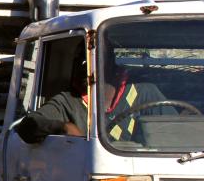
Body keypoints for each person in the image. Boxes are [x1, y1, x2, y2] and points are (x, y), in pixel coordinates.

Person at [17, 44, 173, 144]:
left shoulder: (145, 93)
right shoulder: (69, 101)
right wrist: (63, 127)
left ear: (111, 66)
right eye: (81, 61)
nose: (85, 67)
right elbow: (27, 126)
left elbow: (175, 134)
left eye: (92, 60)